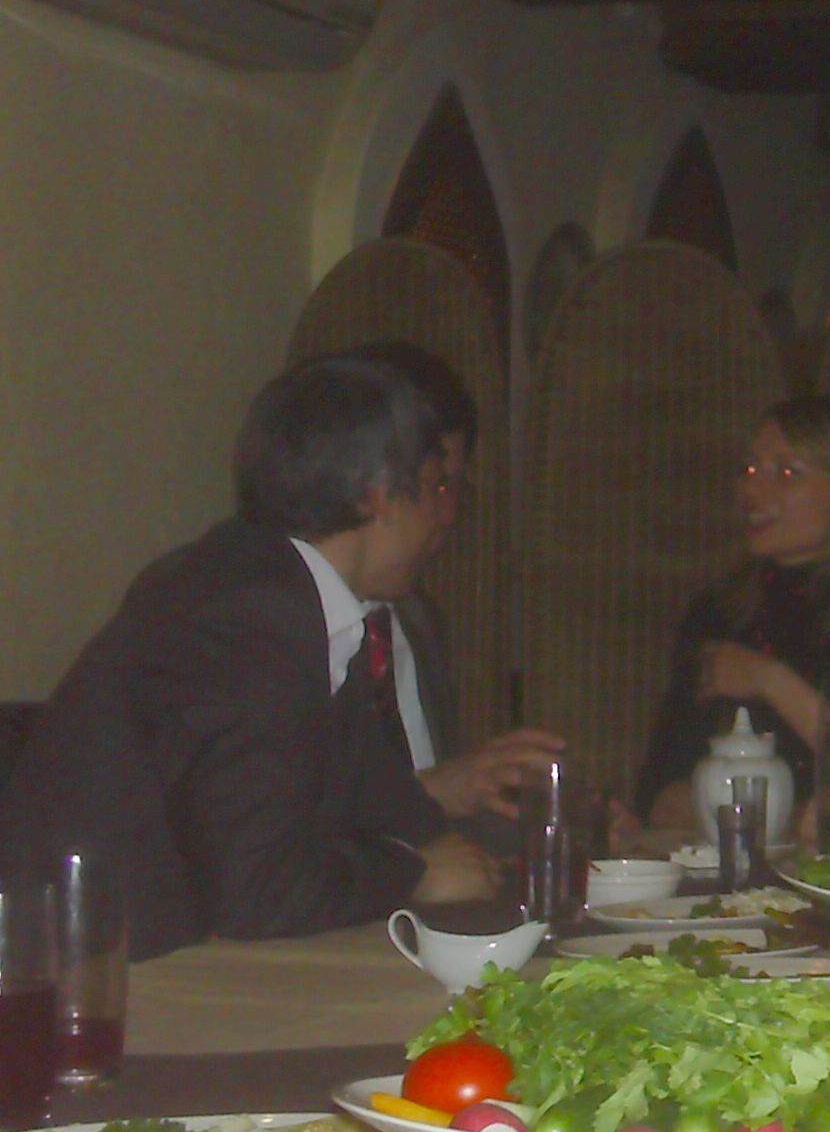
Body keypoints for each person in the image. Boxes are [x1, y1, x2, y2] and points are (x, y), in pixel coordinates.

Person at [0, 355, 494, 957]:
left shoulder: (289, 595)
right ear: (380, 497)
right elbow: (257, 892)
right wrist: (413, 874)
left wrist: (496, 849)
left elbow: (387, 801)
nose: (446, 514)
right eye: (436, 486)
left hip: (153, 960)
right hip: (82, 981)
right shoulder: (246, 616)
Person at [639, 396, 830, 825]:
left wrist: (768, 680)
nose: (750, 491)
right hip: (719, 858)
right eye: (748, 469)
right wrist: (786, 820)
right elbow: (659, 794)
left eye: (786, 473)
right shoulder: (721, 610)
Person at [334, 342, 563, 832]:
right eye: (435, 485)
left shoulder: (418, 622)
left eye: (454, 485)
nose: (447, 513)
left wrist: (563, 821)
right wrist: (433, 792)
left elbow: (441, 820)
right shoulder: (277, 633)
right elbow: (287, 829)